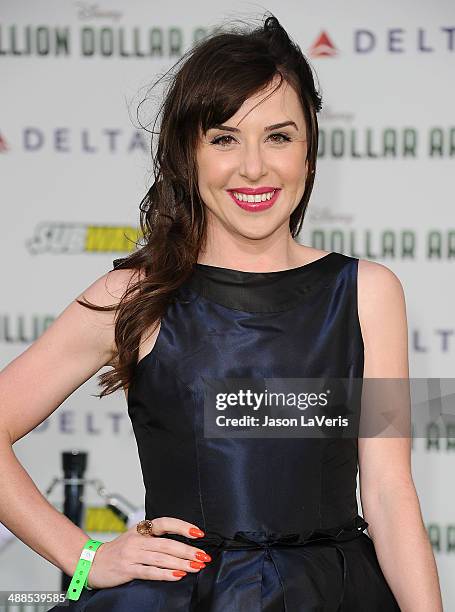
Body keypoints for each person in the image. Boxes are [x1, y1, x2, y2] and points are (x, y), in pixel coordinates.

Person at [0, 12, 443, 612]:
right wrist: (84, 555)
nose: (254, 166)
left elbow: (390, 493)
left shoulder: (368, 292)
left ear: (310, 153)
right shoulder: (135, 294)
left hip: (338, 594)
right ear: (189, 155)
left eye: (279, 137)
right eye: (225, 138)